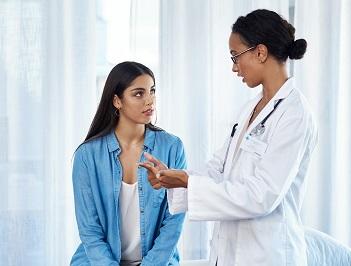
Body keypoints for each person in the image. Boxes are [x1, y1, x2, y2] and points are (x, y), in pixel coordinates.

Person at [139, 9, 318, 266]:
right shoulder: (250, 109)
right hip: (231, 251)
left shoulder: (295, 113)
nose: (234, 67)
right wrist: (175, 179)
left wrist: (188, 182)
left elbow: (261, 196)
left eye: (236, 56)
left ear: (260, 52)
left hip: (269, 255)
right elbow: (218, 169)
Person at [70, 61, 186, 266]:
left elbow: (174, 220)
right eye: (138, 93)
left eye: (152, 91)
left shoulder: (172, 147)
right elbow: (90, 230)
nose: (150, 100)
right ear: (117, 101)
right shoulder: (87, 156)